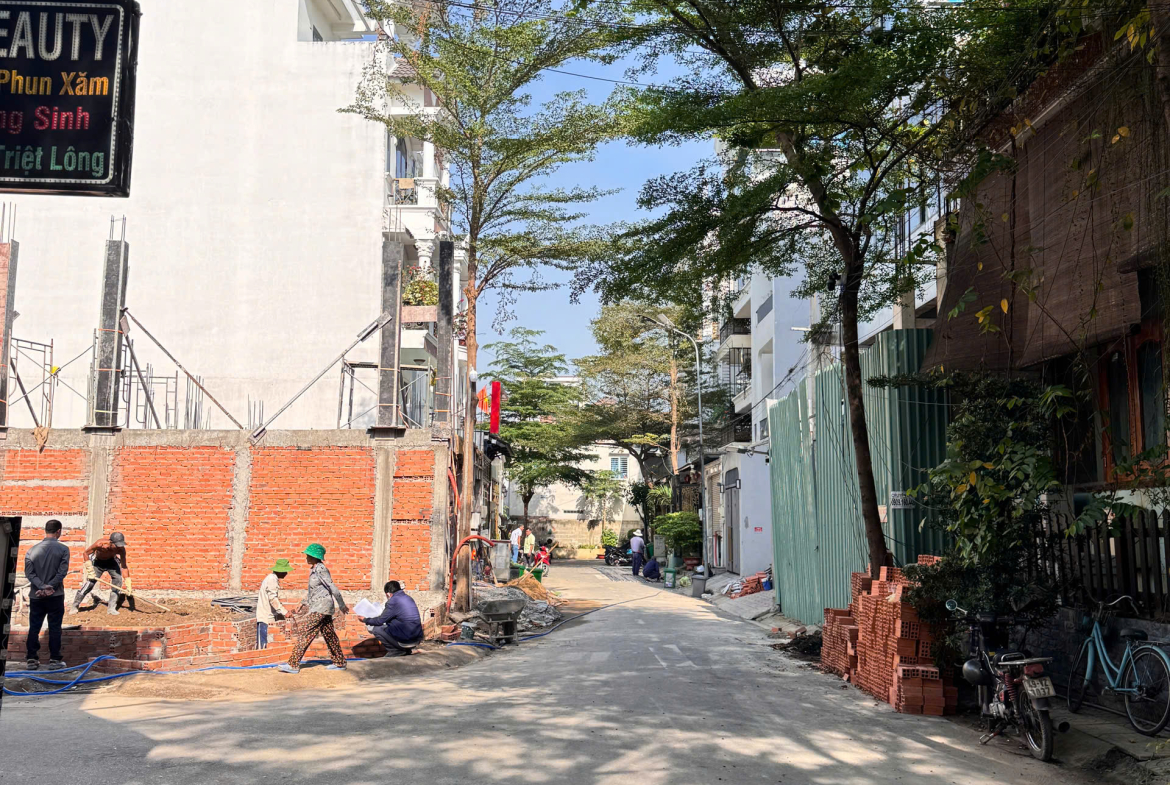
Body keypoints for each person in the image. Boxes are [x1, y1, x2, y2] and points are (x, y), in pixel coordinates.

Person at [278, 544, 349, 674]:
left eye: (308, 555)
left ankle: (293, 665)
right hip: (321, 607)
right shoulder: (314, 570)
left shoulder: (321, 569)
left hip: (321, 607)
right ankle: (340, 662)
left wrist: (342, 604)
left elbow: (332, 587)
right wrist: (302, 603)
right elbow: (314, 591)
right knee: (330, 635)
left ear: (315, 557)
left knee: (306, 633)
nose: (306, 558)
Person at [24, 519, 70, 671]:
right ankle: (54, 660)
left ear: (45, 530)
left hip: (36, 595)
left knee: (34, 627)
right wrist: (49, 587)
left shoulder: (31, 550)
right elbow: (62, 572)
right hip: (55, 595)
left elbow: (29, 573)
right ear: (58, 531)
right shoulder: (63, 549)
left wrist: (41, 586)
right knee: (55, 627)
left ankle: (31, 659)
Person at [72, 531, 134, 615]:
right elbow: (86, 553)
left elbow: (123, 566)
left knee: (118, 581)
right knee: (90, 583)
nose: (118, 547)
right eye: (116, 545)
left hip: (112, 562)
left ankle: (111, 608)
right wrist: (90, 570)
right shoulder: (100, 544)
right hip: (98, 563)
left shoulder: (121, 549)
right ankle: (75, 606)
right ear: (111, 542)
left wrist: (128, 583)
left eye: (120, 545)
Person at [358, 580, 424, 657]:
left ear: (388, 594)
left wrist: (365, 619)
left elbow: (380, 621)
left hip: (407, 640)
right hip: (417, 638)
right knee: (390, 625)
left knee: (377, 629)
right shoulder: (408, 598)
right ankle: (406, 651)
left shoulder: (393, 601)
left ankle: (395, 651)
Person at [256, 558, 292, 650]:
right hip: (265, 617)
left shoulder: (272, 578)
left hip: (268, 616)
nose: (286, 574)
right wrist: (284, 612)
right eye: (285, 571)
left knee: (269, 645)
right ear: (281, 571)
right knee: (263, 647)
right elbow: (273, 599)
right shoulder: (271, 579)